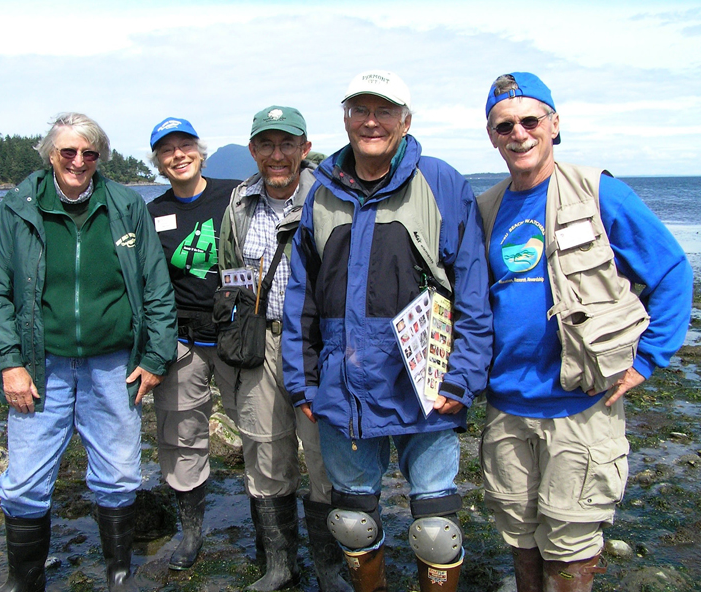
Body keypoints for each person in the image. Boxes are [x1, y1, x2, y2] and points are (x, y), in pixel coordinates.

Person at [477, 72, 693, 591]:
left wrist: (647, 360)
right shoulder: (485, 208)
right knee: (520, 538)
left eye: (531, 120)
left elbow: (672, 271)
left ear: (554, 125)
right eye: (505, 125)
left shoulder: (599, 191)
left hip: (582, 404)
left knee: (572, 546)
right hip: (507, 407)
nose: (519, 134)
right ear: (492, 136)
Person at [282, 71, 493, 592]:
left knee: (435, 531)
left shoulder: (441, 183)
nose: (371, 121)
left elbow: (472, 291)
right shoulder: (321, 193)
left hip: (425, 382)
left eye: (384, 110)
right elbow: (300, 297)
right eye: (360, 110)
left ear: (406, 120)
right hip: (343, 385)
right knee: (352, 522)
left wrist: (461, 378)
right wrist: (301, 380)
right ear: (346, 119)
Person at [0, 112, 178, 592]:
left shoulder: (127, 205)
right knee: (24, 481)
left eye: (89, 153)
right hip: (39, 367)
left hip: (113, 365)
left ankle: (118, 570)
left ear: (99, 158)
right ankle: (23, 580)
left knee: (119, 474)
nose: (78, 161)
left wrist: (155, 357)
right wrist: (9, 362)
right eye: (68, 151)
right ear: (51, 154)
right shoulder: (16, 209)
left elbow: (156, 286)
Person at [218, 106, 350, 592]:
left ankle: (329, 566)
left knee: (322, 457)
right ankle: (279, 565)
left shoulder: (329, 197)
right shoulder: (239, 202)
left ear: (304, 148)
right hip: (261, 344)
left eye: (287, 144)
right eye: (267, 145)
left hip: (316, 347)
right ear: (253, 151)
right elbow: (230, 270)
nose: (277, 155)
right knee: (264, 454)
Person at [146, 117, 239, 571]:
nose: (178, 155)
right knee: (181, 435)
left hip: (237, 335)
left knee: (262, 429)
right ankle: (191, 533)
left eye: (186, 146)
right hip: (180, 341)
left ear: (200, 152)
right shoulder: (152, 213)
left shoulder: (237, 193)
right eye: (167, 150)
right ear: (158, 162)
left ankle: (271, 527)